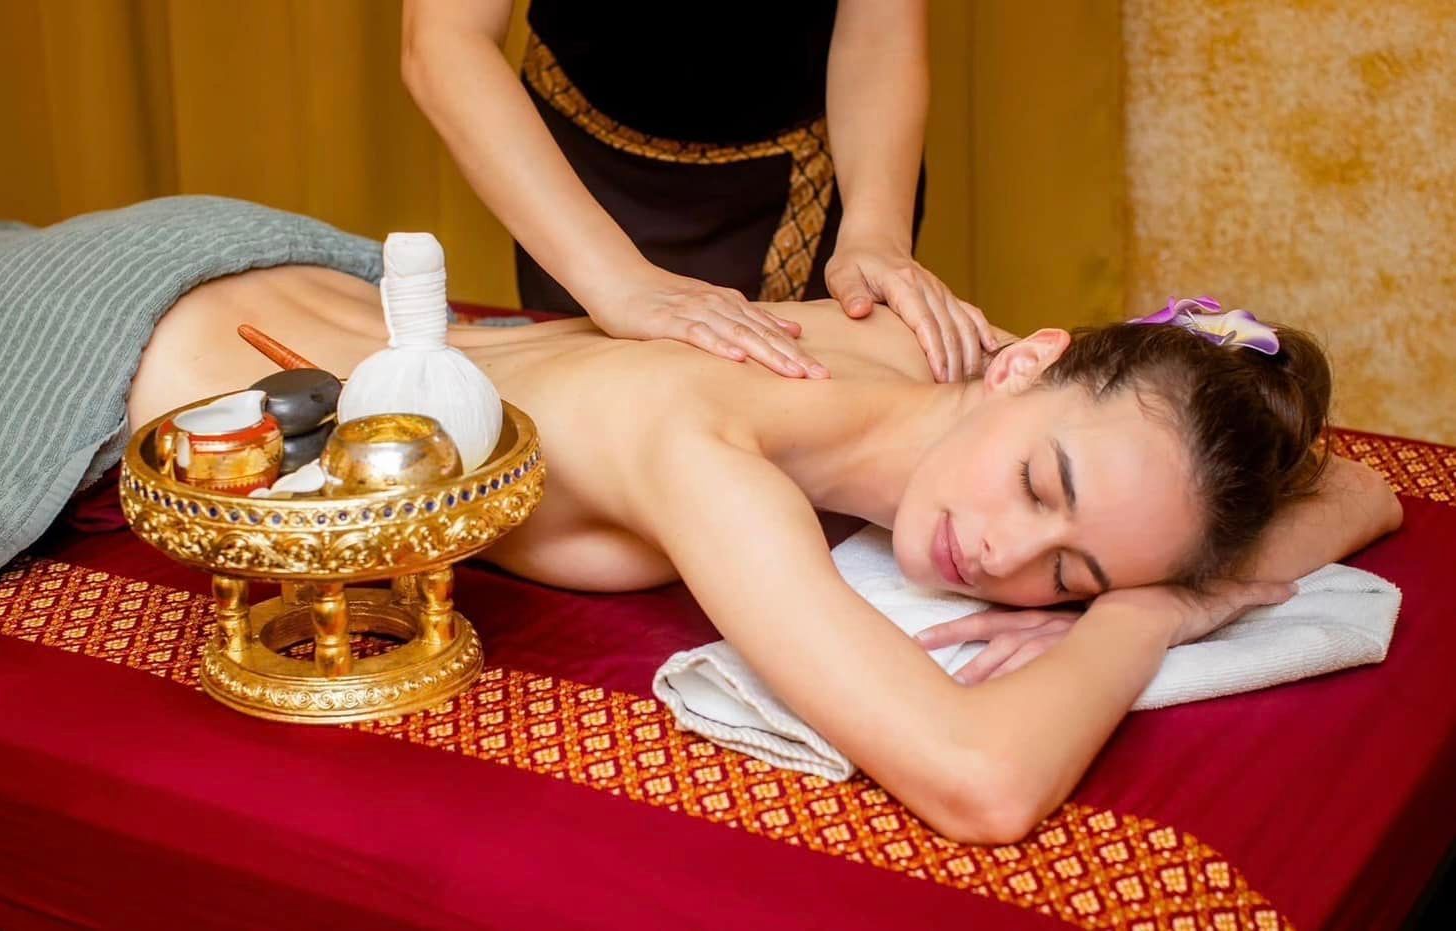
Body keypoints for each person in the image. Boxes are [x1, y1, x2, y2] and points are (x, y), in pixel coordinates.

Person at [134, 260, 1403, 844]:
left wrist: (1165, 568)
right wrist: (1147, 618)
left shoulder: (956, 360)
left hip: (305, 282)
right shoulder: (713, 450)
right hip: (161, 363)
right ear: (1029, 363)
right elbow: (979, 786)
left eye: (1067, 576)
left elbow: (1353, 484)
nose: (1003, 552)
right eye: (1037, 485)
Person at [401, 0, 998, 383]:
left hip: (816, 167)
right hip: (583, 167)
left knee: (814, 414)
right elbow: (446, 38)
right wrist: (615, 280)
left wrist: (876, 232)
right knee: (616, 420)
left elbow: (878, 37)